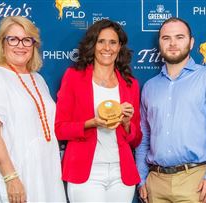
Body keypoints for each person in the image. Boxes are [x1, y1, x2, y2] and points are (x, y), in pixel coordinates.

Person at [135, 17, 206, 203]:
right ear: (159, 43)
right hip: (156, 182)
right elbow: (144, 138)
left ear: (191, 42)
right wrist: (141, 179)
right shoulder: (150, 87)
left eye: (179, 37)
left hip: (196, 181)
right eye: (166, 38)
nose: (173, 43)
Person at [55, 19, 142, 202]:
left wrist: (126, 124)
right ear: (92, 45)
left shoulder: (130, 84)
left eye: (113, 42)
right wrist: (91, 123)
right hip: (86, 171)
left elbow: (136, 139)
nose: (107, 48)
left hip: (121, 173)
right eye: (101, 41)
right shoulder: (74, 77)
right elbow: (60, 128)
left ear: (120, 47)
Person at [0, 16, 66, 202]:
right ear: (2, 43)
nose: (20, 45)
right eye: (13, 39)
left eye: (26, 40)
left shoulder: (37, 79)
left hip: (46, 174)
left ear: (34, 45)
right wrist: (11, 177)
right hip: (17, 175)